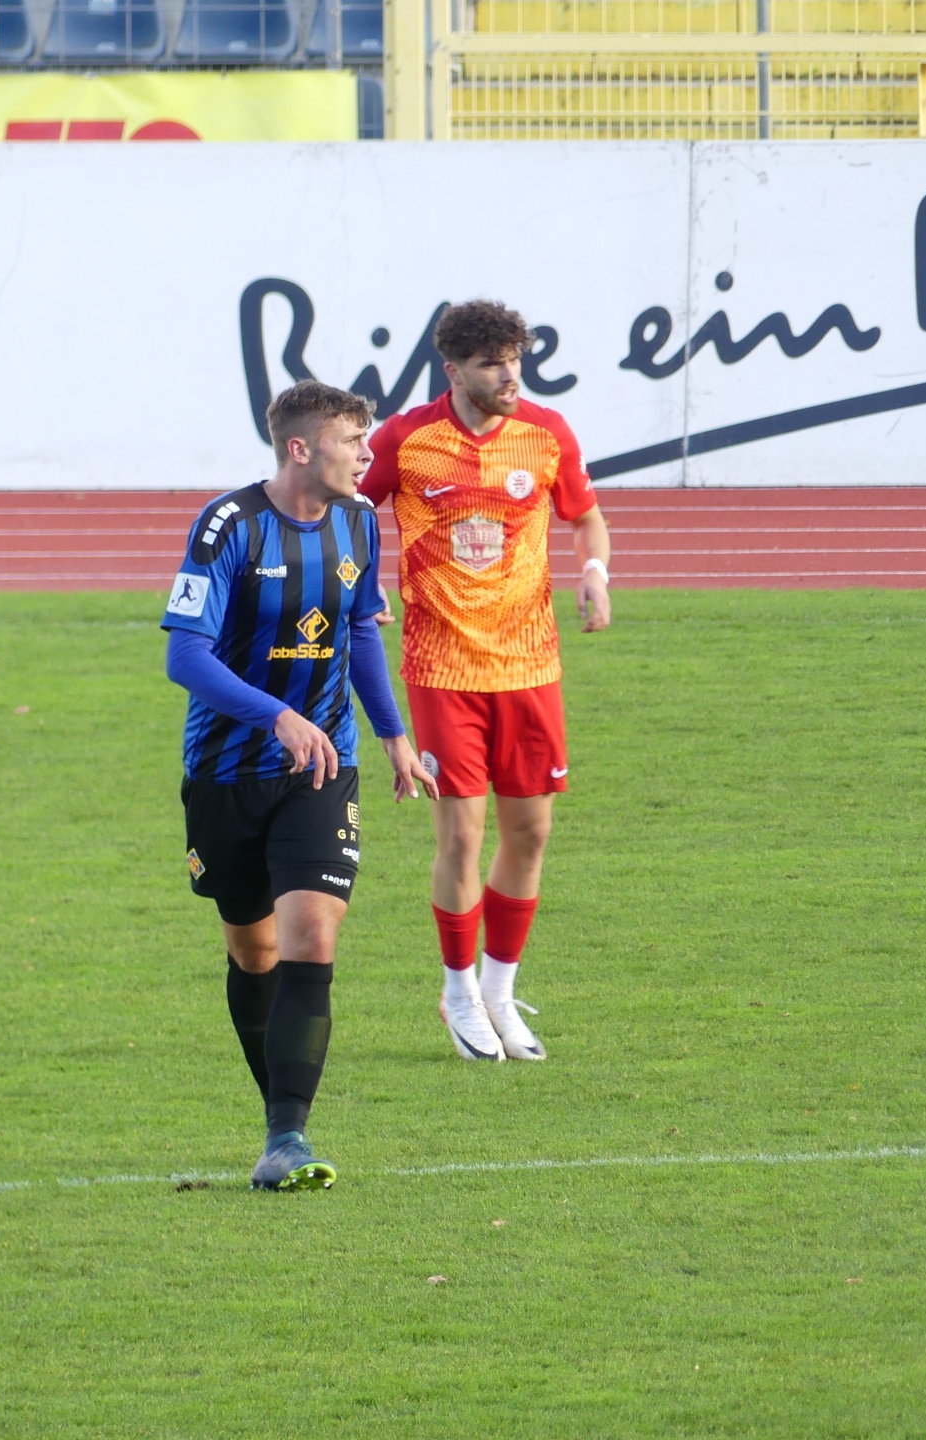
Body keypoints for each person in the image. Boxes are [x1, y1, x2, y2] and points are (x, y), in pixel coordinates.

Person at [164, 380, 437, 1192]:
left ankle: (287, 1136)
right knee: (254, 952)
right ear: (299, 448)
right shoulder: (228, 526)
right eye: (353, 442)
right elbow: (185, 656)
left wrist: (392, 735)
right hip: (226, 773)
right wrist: (277, 717)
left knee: (312, 935)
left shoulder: (359, 520)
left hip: (322, 765)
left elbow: (357, 627)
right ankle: (280, 1115)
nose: (367, 455)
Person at [359, 300, 612, 1063]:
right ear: (454, 371)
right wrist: (360, 582)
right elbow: (349, 508)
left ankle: (501, 992)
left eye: (515, 361)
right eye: (492, 364)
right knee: (462, 835)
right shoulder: (407, 438)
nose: (509, 376)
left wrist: (594, 575)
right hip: (442, 668)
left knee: (530, 832)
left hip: (530, 665)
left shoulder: (546, 433)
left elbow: (586, 517)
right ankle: (459, 992)